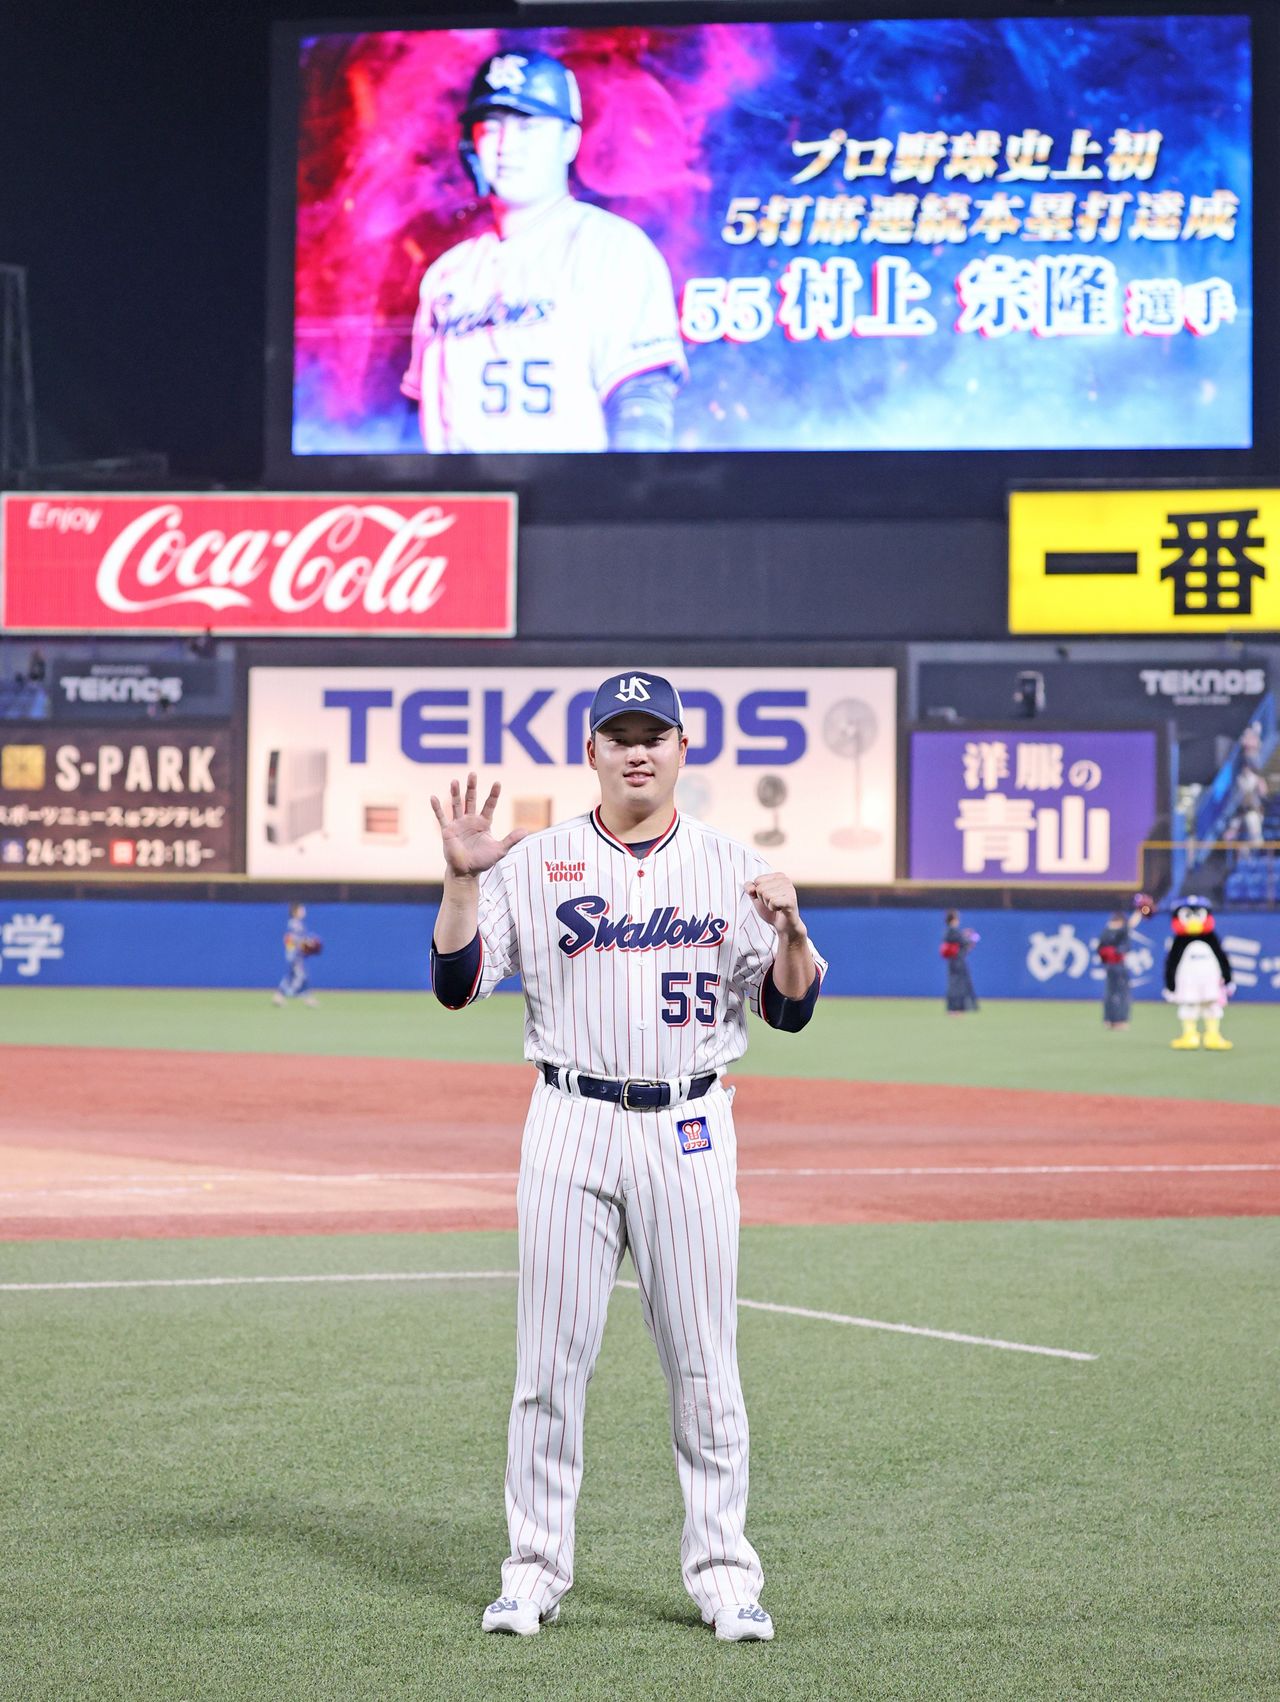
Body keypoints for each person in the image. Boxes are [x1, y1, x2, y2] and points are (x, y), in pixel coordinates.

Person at [429, 670, 825, 1643]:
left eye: (654, 733)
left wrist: (793, 930)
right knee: (547, 1368)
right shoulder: (535, 861)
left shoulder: (733, 866)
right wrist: (462, 876)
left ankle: (726, 1576)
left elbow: (790, 1007)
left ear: (684, 750)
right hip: (567, 1120)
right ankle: (530, 1571)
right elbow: (456, 980)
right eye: (618, 734)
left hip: (689, 1128)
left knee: (702, 1368)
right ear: (592, 753)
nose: (636, 749)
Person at [402, 49, 686, 454]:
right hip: (465, 509)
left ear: (569, 140)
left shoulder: (611, 248)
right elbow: (416, 419)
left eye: (528, 126)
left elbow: (641, 398)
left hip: (571, 502)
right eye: (492, 127)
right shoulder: (447, 273)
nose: (506, 146)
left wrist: (629, 502)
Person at [1095, 897, 1148, 1029]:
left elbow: (1100, 950)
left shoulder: (1105, 932)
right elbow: (1130, 924)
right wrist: (1139, 910)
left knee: (1110, 993)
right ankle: (1120, 1020)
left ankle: (1108, 1020)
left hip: (1109, 966)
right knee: (1122, 993)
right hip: (1118, 965)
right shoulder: (1119, 930)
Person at [273, 901, 317, 1007]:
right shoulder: (294, 923)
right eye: (301, 909)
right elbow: (290, 938)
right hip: (295, 954)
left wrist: (307, 942)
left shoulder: (298, 923)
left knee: (296, 975)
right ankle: (307, 999)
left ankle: (280, 996)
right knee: (299, 975)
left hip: (297, 954)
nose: (304, 911)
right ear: (295, 912)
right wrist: (302, 944)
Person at [940, 909, 978, 1013]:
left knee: (954, 984)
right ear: (953, 919)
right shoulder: (953, 930)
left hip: (953, 962)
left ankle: (955, 1008)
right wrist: (972, 937)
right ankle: (955, 1008)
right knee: (958, 985)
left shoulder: (948, 931)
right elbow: (965, 942)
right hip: (957, 962)